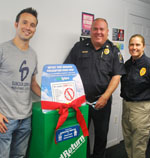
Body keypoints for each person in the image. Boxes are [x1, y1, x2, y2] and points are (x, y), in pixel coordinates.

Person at [64, 18, 126, 158]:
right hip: (80, 103)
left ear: (107, 31)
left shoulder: (114, 51)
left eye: (102, 29)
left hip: (102, 102)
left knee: (101, 135)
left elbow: (117, 76)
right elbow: (67, 70)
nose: (98, 32)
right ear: (90, 30)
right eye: (95, 29)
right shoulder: (79, 47)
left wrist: (105, 96)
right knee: (80, 135)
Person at [0, 7, 41, 158]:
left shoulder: (33, 55)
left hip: (25, 118)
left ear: (35, 29)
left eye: (32, 25)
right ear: (16, 24)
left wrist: (50, 96)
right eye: (24, 23)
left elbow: (32, 83)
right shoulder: (0, 49)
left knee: (19, 156)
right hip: (4, 119)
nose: (28, 27)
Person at [120, 34, 150, 158]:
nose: (134, 47)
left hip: (143, 109)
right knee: (128, 140)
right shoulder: (128, 64)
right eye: (132, 44)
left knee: (139, 145)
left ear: (143, 47)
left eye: (138, 44)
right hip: (127, 106)